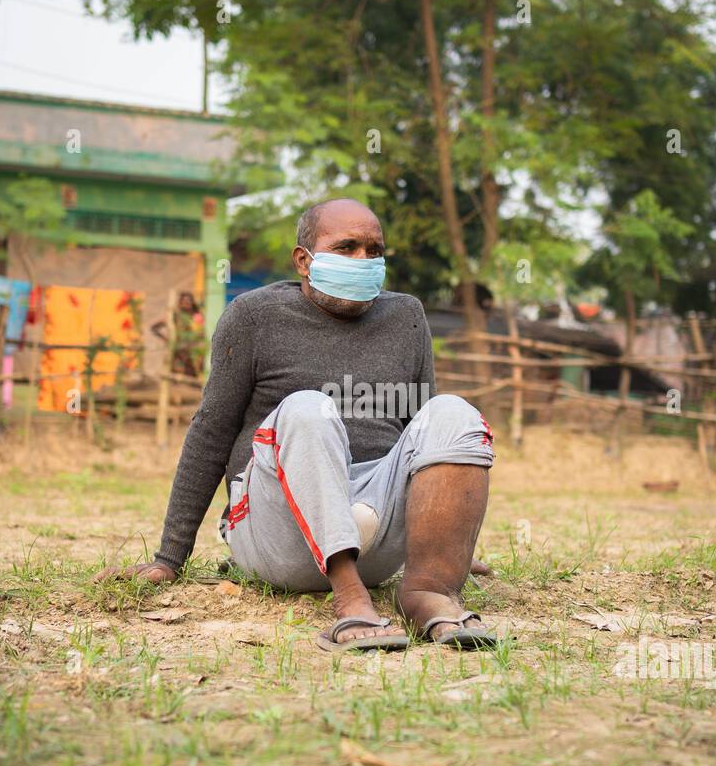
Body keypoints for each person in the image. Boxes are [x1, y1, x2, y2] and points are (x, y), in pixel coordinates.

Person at [95, 198, 497, 651]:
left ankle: (429, 592)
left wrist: (443, 545)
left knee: (454, 412)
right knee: (308, 408)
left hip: (375, 531)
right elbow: (211, 431)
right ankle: (350, 597)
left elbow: (424, 436)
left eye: (374, 250)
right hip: (277, 534)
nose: (362, 261)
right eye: (346, 248)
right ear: (303, 260)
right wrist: (170, 558)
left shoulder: (406, 317)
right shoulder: (253, 316)